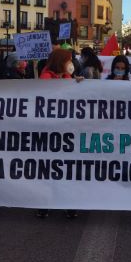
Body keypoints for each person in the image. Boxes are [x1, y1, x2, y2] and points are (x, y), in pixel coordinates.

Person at [38, 49, 83, 218]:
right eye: (68, 60)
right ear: (60, 62)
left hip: (66, 131)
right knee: (49, 169)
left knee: (66, 169)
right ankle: (45, 204)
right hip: (50, 131)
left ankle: (67, 203)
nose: (71, 63)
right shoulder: (46, 77)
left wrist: (78, 84)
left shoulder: (67, 77)